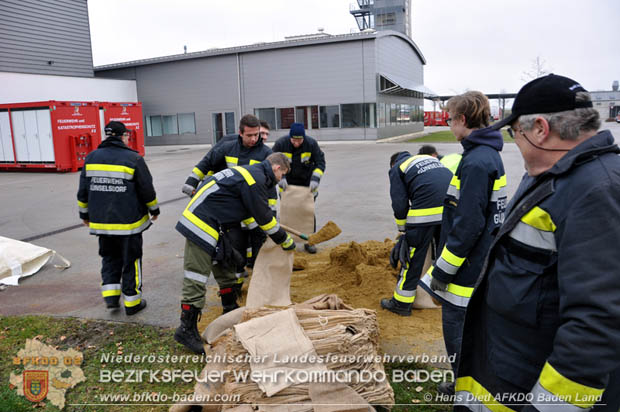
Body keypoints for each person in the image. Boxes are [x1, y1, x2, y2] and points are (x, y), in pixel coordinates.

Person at [454, 74, 620, 411]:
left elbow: (596, 325)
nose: (516, 143)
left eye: (516, 133)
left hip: (534, 385)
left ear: (541, 129)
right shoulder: (556, 174)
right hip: (511, 366)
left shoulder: (597, 191)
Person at [418, 91, 507, 394]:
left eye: (449, 118)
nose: (447, 123)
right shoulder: (486, 155)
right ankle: (469, 381)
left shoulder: (476, 162)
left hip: (467, 265)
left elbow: (467, 225)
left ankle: (464, 387)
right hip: (480, 258)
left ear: (462, 120)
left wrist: (442, 272)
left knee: (456, 324)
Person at [174, 153, 296, 354]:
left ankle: (229, 311)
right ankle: (186, 329)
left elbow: (251, 214)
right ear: (276, 168)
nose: (281, 179)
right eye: (282, 174)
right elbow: (263, 216)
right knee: (196, 276)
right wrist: (284, 239)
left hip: (216, 224)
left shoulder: (254, 175)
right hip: (201, 223)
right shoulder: (254, 179)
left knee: (226, 267)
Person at [181, 114, 275, 293]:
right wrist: (191, 182)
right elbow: (207, 162)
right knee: (235, 251)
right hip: (233, 212)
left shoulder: (266, 154)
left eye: (257, 135)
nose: (254, 139)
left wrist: (271, 213)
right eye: (250, 135)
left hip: (254, 212)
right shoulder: (228, 148)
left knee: (258, 252)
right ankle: (236, 287)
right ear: (240, 133)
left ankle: (259, 288)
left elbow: (270, 188)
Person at [77, 121, 159, 316]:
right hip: (128, 224)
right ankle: (132, 302)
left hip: (102, 224)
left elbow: (83, 191)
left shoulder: (91, 158)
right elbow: (146, 188)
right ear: (123, 136)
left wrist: (84, 215)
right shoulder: (133, 159)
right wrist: (154, 209)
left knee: (109, 257)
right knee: (131, 260)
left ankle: (111, 298)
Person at [382, 151, 452, 316]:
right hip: (450, 210)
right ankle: (442, 296)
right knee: (444, 255)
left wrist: (403, 232)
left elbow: (399, 203)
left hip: (424, 213)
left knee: (413, 257)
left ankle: (401, 303)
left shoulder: (397, 168)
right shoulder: (429, 159)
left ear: (393, 163)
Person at [272, 122, 326, 253]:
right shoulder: (281, 144)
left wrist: (315, 179)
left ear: (304, 137)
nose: (296, 143)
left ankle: (309, 241)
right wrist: (280, 179)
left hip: (307, 186)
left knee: (307, 212)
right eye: (294, 140)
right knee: (288, 213)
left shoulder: (311, 144)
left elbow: (320, 162)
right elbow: (271, 162)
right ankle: (287, 241)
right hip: (287, 186)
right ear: (289, 137)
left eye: (299, 140)